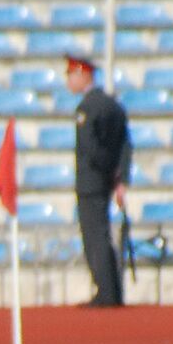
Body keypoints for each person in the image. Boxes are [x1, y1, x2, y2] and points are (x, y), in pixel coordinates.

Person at [65, 54, 132, 308]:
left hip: (92, 179)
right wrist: (119, 176)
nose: (69, 81)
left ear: (83, 74)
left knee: (94, 236)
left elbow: (89, 147)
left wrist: (106, 170)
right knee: (101, 233)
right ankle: (111, 290)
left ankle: (105, 292)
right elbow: (125, 145)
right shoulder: (113, 104)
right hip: (106, 178)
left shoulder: (87, 108)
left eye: (71, 75)